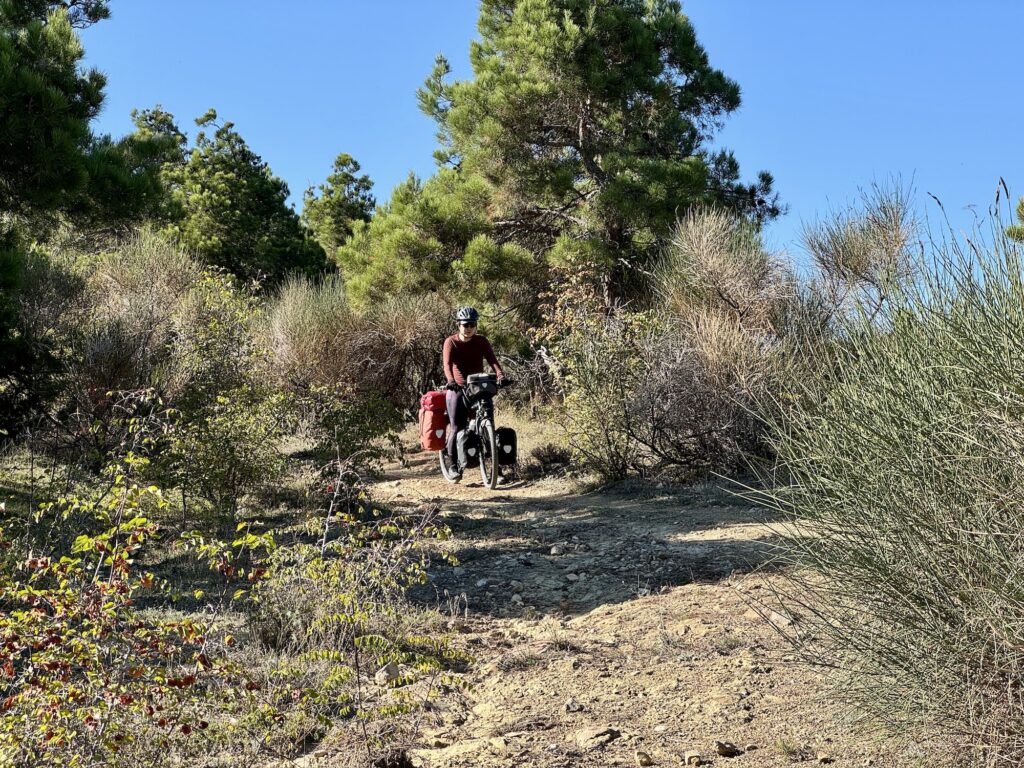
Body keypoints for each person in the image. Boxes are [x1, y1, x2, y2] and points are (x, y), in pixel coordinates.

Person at [443, 307, 505, 466]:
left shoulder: (481, 341)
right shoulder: (451, 342)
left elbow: (492, 360)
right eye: (465, 325)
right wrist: (451, 381)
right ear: (458, 325)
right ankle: (453, 464)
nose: (469, 328)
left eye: (472, 324)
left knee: (489, 423)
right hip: (459, 388)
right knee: (457, 427)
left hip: (478, 387)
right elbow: (447, 365)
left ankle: (496, 468)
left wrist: (500, 375)